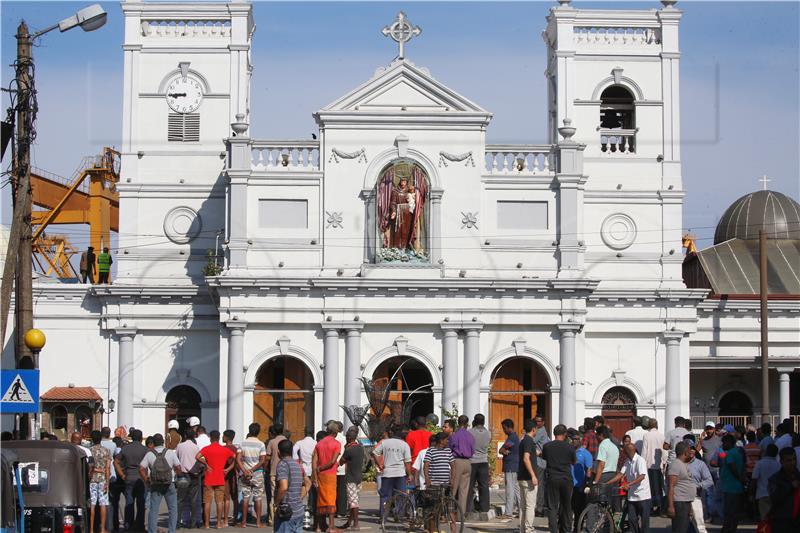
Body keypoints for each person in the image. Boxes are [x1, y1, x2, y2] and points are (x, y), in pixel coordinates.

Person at [139, 433, 181, 533]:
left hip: (155, 484)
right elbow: (178, 467)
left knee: (154, 510)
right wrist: (177, 475)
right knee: (173, 509)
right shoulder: (170, 452)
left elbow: (141, 468)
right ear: (163, 442)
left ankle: (152, 531)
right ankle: (171, 531)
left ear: (153, 442)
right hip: (169, 484)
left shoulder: (150, 454)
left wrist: (146, 479)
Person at [607, 442, 651, 533]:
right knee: (632, 520)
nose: (622, 452)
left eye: (624, 451)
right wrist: (608, 482)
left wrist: (629, 484)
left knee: (644, 523)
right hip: (632, 497)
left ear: (627, 451)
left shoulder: (640, 460)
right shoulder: (627, 461)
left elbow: (642, 476)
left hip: (643, 496)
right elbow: (621, 473)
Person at [196, 430, 236, 529]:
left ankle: (207, 524)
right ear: (218, 438)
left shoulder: (206, 449)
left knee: (207, 502)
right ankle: (218, 523)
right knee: (219, 502)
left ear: (210, 438)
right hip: (220, 478)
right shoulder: (224, 450)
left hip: (209, 478)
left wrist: (206, 464)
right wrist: (228, 468)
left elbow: (197, 457)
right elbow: (236, 457)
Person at [541, 424, 576, 533]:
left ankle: (554, 530)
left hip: (552, 478)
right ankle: (566, 529)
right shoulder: (570, 447)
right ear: (565, 434)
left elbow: (544, 458)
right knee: (567, 505)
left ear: (554, 433)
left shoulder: (547, 446)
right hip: (566, 478)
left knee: (552, 506)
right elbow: (574, 462)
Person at [372, 424, 412, 516]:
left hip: (387, 474)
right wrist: (409, 474)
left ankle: (383, 516)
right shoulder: (404, 444)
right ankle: (399, 515)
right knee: (400, 496)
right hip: (400, 474)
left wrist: (380, 465)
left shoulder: (385, 442)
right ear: (401, 433)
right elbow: (407, 462)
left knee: (385, 496)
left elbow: (374, 453)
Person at [116, 428, 148, 532]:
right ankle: (140, 525)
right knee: (141, 503)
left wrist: (121, 474)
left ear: (131, 437)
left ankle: (128, 525)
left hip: (129, 477)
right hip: (141, 479)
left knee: (129, 502)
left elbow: (116, 461)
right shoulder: (145, 450)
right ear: (141, 438)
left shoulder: (125, 448)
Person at [313, 421, 343, 532]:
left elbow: (314, 462)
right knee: (331, 500)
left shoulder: (319, 444)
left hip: (320, 476)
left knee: (320, 500)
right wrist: (321, 468)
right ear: (335, 432)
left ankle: (319, 526)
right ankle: (331, 527)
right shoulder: (336, 444)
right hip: (330, 474)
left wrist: (316, 475)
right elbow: (332, 461)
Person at [275, 439, 308, 533]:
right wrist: (299, 497)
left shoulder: (282, 464)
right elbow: (308, 483)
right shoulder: (298, 465)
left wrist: (276, 503)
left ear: (278, 452)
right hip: (298, 510)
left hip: (286, 513)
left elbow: (283, 487)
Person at [238, 422, 267, 528]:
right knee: (258, 497)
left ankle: (243, 522)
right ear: (258, 432)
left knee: (245, 497)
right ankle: (258, 522)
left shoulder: (242, 443)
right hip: (257, 473)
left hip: (245, 474)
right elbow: (262, 460)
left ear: (249, 430)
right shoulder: (261, 444)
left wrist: (245, 470)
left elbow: (238, 459)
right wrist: (252, 469)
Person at [715, 433, 745, 533]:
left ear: (728, 443)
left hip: (731, 487)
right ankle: (730, 528)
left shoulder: (730, 454)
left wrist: (738, 478)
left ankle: (728, 529)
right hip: (734, 486)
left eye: (723, 443)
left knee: (729, 511)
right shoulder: (737, 452)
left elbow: (732, 467)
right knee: (733, 511)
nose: (722, 445)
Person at [767, 447, 800, 533]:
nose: (792, 463)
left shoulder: (798, 476)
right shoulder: (775, 479)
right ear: (782, 462)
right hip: (781, 522)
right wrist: (790, 487)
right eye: (789, 460)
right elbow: (774, 499)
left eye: (794, 459)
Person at [448, 415, 475, 517]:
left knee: (453, 488)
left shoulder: (455, 435)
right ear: (467, 423)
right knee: (464, 490)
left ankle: (450, 513)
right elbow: (473, 450)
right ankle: (461, 515)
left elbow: (450, 448)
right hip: (468, 462)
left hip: (457, 461)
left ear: (458, 423)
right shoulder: (470, 436)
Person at [339, 426, 364, 530]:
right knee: (355, 500)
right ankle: (349, 522)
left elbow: (341, 462)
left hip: (351, 478)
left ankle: (356, 524)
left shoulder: (349, 449)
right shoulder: (360, 447)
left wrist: (345, 448)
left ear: (349, 438)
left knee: (353, 503)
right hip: (359, 477)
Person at [666, 441, 695, 533]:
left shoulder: (682, 464)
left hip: (685, 502)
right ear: (685, 452)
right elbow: (671, 486)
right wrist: (671, 506)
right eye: (690, 450)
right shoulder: (675, 465)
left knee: (685, 528)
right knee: (680, 529)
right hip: (679, 503)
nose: (691, 452)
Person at [176, 428, 202, 529]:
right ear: (194, 436)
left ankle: (178, 522)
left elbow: (176, 460)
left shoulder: (180, 446)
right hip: (194, 476)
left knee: (180, 500)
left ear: (185, 436)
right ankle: (193, 523)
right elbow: (199, 462)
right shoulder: (196, 447)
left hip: (183, 475)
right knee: (194, 501)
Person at [518, 419, 539, 533]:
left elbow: (531, 454)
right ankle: (529, 529)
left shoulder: (523, 440)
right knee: (530, 505)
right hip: (528, 477)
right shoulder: (529, 441)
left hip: (521, 476)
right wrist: (533, 476)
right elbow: (526, 459)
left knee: (523, 505)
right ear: (534, 429)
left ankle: (523, 528)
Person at [686, 445, 713, 533]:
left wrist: (698, 485)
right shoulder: (679, 463)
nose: (691, 451)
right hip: (681, 498)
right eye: (689, 449)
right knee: (683, 526)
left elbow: (709, 481)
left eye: (693, 449)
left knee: (699, 525)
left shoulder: (700, 464)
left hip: (695, 498)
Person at [468, 413, 492, 514]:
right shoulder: (488, 433)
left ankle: (469, 507)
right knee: (484, 485)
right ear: (483, 421)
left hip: (472, 461)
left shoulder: (470, 432)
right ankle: (484, 508)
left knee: (470, 485)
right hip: (484, 461)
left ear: (474, 421)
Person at [750, 444, 780, 522]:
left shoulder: (760, 463)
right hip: (775, 495)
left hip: (762, 494)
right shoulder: (778, 465)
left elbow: (754, 479)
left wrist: (751, 493)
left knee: (764, 518)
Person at [89, 430, 111, 533]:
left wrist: (96, 470)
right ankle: (102, 528)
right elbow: (108, 468)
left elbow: (89, 467)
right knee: (103, 503)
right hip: (103, 479)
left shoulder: (89, 451)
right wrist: (107, 482)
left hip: (92, 479)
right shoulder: (106, 450)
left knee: (92, 504)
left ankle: (91, 529)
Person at [641, 418, 665, 515]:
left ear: (649, 426)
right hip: (659, 464)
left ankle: (651, 506)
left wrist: (642, 464)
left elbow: (644, 451)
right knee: (658, 486)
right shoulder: (661, 436)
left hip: (649, 465)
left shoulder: (646, 435)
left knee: (650, 487)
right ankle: (659, 506)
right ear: (657, 425)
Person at [265, 425, 288, 524]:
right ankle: (285, 515)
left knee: (274, 496)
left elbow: (267, 458)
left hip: (273, 472)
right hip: (286, 471)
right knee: (285, 494)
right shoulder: (287, 441)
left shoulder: (272, 442)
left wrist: (266, 469)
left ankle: (272, 519)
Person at [498, 418, 520, 519]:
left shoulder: (512, 438)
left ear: (508, 427)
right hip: (514, 466)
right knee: (516, 490)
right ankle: (521, 510)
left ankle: (508, 513)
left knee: (510, 490)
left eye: (504, 428)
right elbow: (502, 450)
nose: (503, 430)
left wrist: (502, 450)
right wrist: (502, 450)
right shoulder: (514, 437)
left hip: (510, 467)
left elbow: (501, 449)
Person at [570, 431, 593, 526]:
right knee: (567, 507)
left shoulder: (585, 453)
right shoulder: (570, 451)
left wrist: (586, 484)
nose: (574, 441)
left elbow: (589, 469)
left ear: (580, 440)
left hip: (579, 485)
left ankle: (577, 527)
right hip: (568, 484)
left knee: (578, 509)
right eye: (573, 439)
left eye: (576, 439)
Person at [533, 416, 551, 514]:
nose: (536, 423)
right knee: (541, 484)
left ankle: (539, 507)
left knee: (539, 485)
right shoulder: (543, 431)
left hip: (539, 462)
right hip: (541, 462)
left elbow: (531, 440)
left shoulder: (539, 431)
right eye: (535, 421)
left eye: (538, 421)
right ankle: (541, 505)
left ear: (543, 422)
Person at [222, 429, 238, 526]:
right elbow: (237, 461)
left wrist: (227, 469)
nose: (222, 438)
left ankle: (226, 521)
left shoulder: (223, 448)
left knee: (226, 498)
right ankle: (235, 519)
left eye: (223, 436)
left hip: (225, 474)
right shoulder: (236, 449)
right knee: (235, 497)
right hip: (234, 474)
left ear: (227, 437)